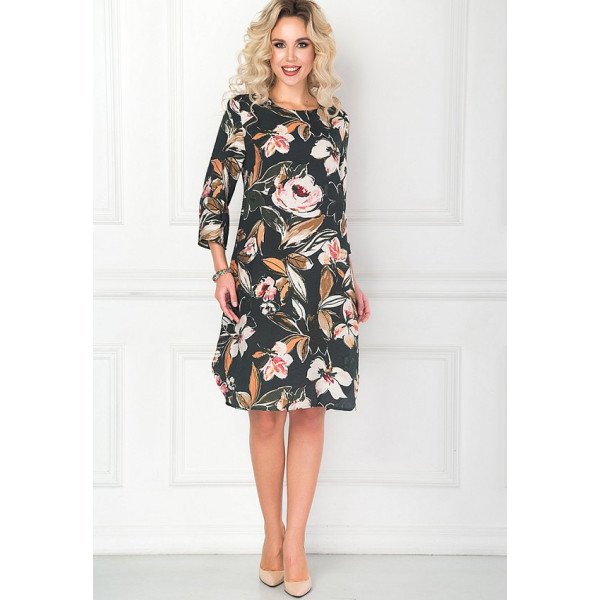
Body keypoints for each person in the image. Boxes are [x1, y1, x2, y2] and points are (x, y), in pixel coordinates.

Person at [198, 0, 370, 596]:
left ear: (316, 50)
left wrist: (351, 279)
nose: (290, 56)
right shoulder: (244, 113)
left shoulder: (336, 123)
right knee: (267, 413)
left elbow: (336, 213)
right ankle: (271, 534)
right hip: (261, 281)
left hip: (324, 284)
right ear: (265, 50)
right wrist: (221, 270)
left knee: (312, 409)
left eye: (301, 44)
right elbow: (216, 193)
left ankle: (296, 542)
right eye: (279, 44)